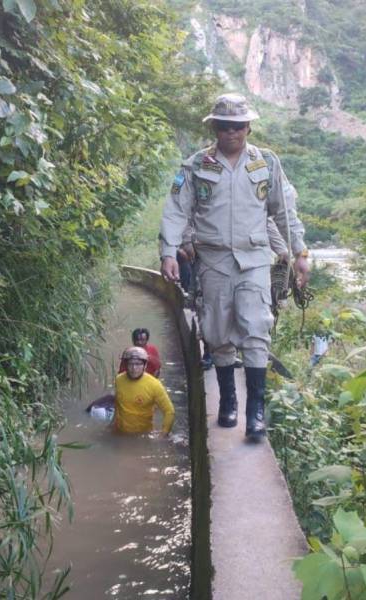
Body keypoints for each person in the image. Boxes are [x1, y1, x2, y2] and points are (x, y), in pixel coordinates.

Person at [159, 92, 309, 439]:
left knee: (256, 329)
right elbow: (177, 210)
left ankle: (255, 413)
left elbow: (284, 212)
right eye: (225, 126)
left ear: (248, 128)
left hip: (253, 259)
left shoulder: (267, 163)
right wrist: (168, 251)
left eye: (238, 126)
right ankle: (228, 400)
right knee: (217, 332)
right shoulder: (196, 166)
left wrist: (299, 253)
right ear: (214, 127)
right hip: (213, 261)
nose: (232, 132)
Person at [113, 346, 175, 436]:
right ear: (125, 365)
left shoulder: (154, 385)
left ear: (145, 365)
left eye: (138, 364)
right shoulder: (119, 380)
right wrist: (111, 425)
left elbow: (169, 411)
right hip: (120, 432)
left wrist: (163, 434)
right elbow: (117, 405)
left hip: (142, 434)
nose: (134, 368)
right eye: (130, 364)